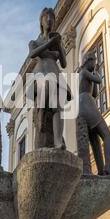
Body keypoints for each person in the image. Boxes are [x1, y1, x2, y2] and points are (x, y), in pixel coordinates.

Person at [27, 8, 70, 150]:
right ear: (41, 21)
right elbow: (32, 54)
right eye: (47, 17)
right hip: (40, 73)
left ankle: (58, 141)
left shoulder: (56, 41)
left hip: (54, 73)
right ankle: (41, 112)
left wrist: (58, 44)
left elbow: (64, 63)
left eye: (52, 18)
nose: (50, 20)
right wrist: (49, 43)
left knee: (57, 106)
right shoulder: (34, 41)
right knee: (45, 88)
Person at [78, 52, 110, 180]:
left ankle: (101, 171)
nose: (95, 64)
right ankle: (109, 168)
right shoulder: (83, 72)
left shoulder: (84, 74)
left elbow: (94, 93)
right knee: (107, 136)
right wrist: (98, 74)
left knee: (95, 141)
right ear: (88, 61)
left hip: (84, 104)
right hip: (86, 103)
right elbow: (99, 80)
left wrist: (94, 76)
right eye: (94, 61)